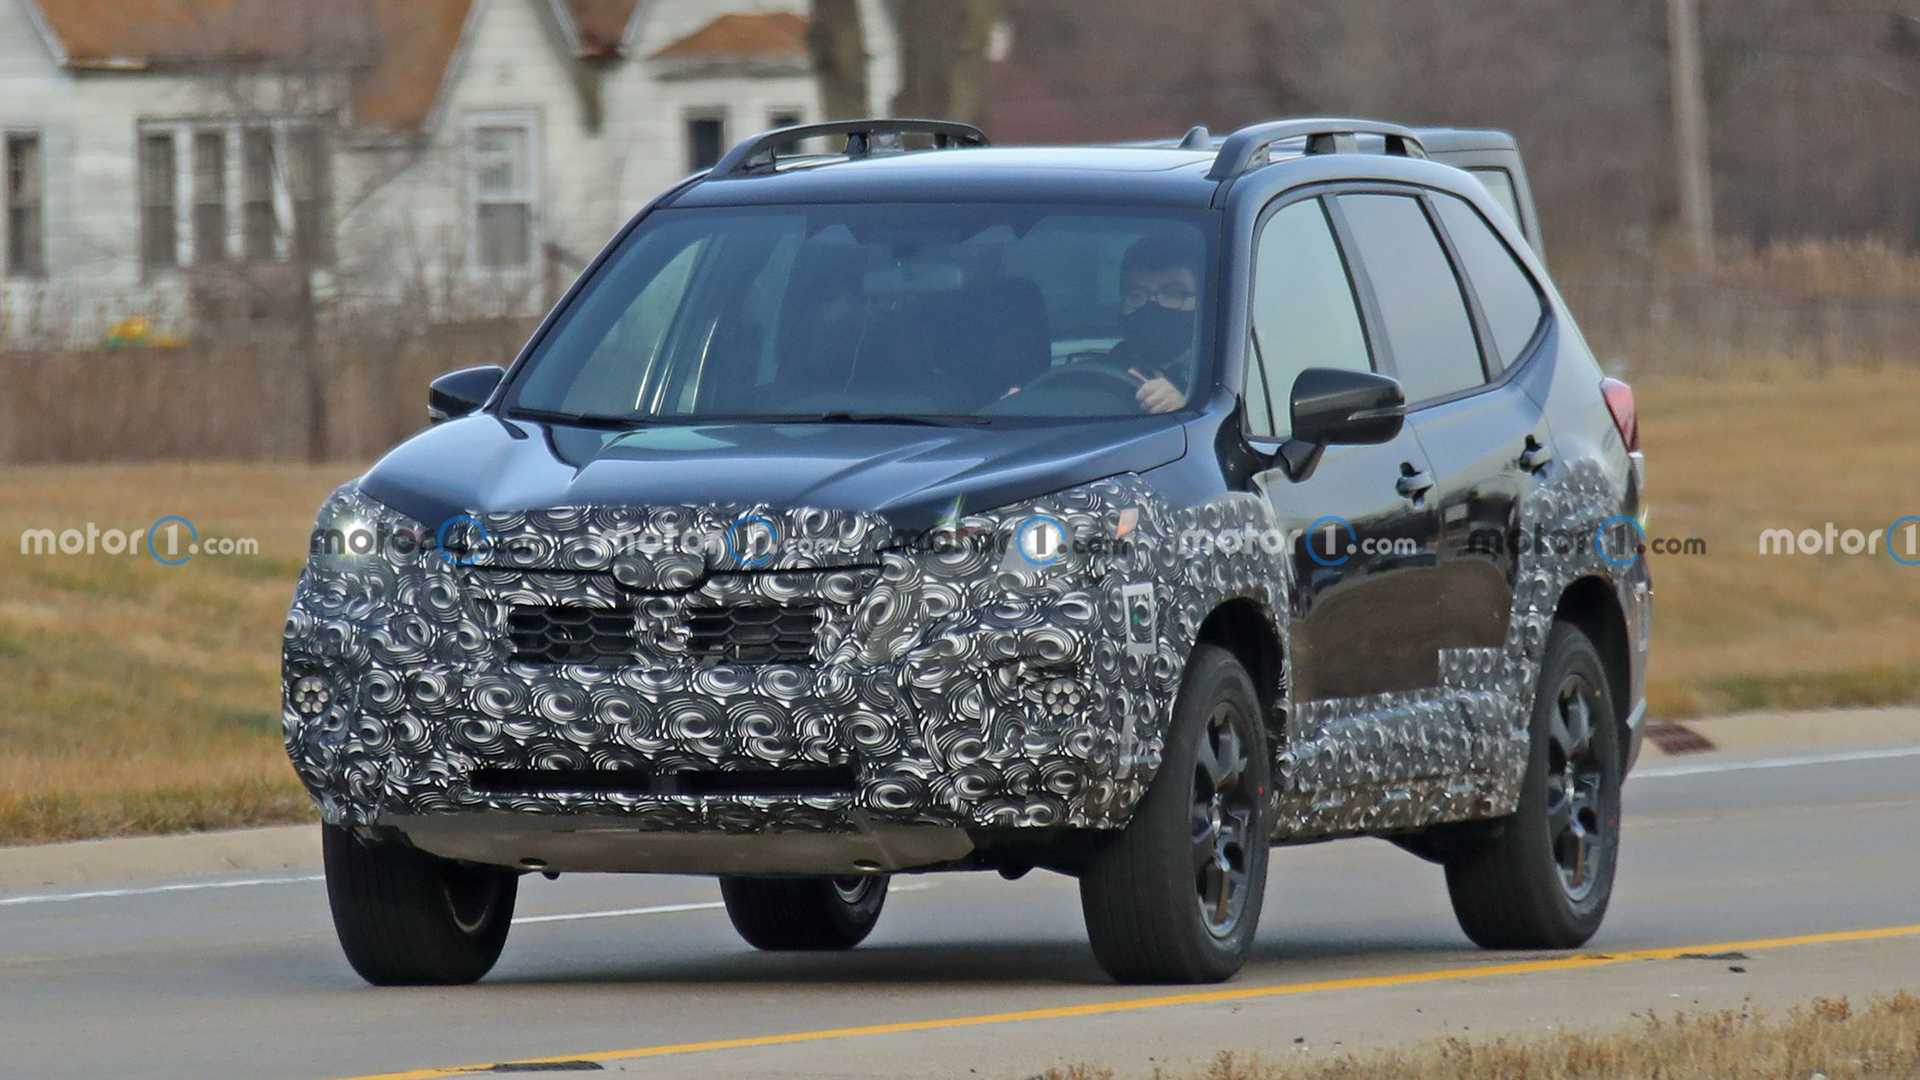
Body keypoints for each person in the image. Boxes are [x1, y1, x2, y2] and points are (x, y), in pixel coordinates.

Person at [1109, 231, 1202, 413]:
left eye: (1174, 293)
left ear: (1203, 303)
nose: (1152, 306)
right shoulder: (1102, 371)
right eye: (1137, 294)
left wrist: (1184, 410)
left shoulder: (1226, 378)